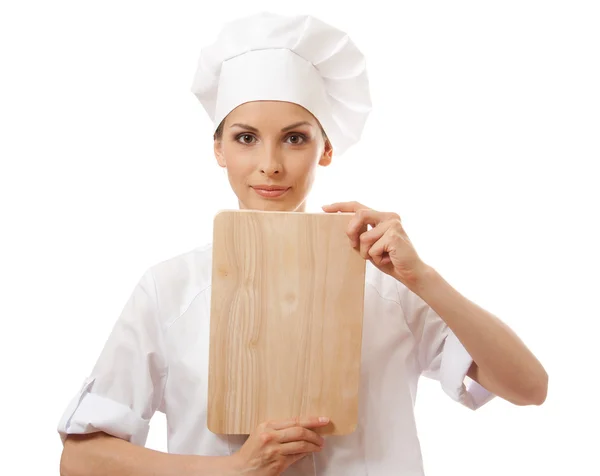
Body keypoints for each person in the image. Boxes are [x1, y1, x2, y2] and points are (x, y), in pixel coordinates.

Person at [57, 12, 548, 476]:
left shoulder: (387, 282)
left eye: (294, 139)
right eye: (246, 138)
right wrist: (231, 469)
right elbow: (81, 460)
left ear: (326, 148)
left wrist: (422, 278)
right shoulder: (170, 288)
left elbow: (529, 387)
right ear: (218, 149)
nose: (270, 164)